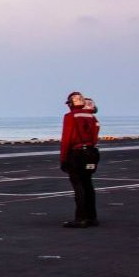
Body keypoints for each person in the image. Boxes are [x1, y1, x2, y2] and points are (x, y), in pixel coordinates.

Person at [60, 92, 100, 228]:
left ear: (71, 103)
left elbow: (66, 139)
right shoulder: (92, 117)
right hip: (91, 152)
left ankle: (80, 218)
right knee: (88, 184)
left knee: (78, 185)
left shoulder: (70, 116)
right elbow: (94, 138)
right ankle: (92, 217)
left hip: (77, 153)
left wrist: (63, 158)